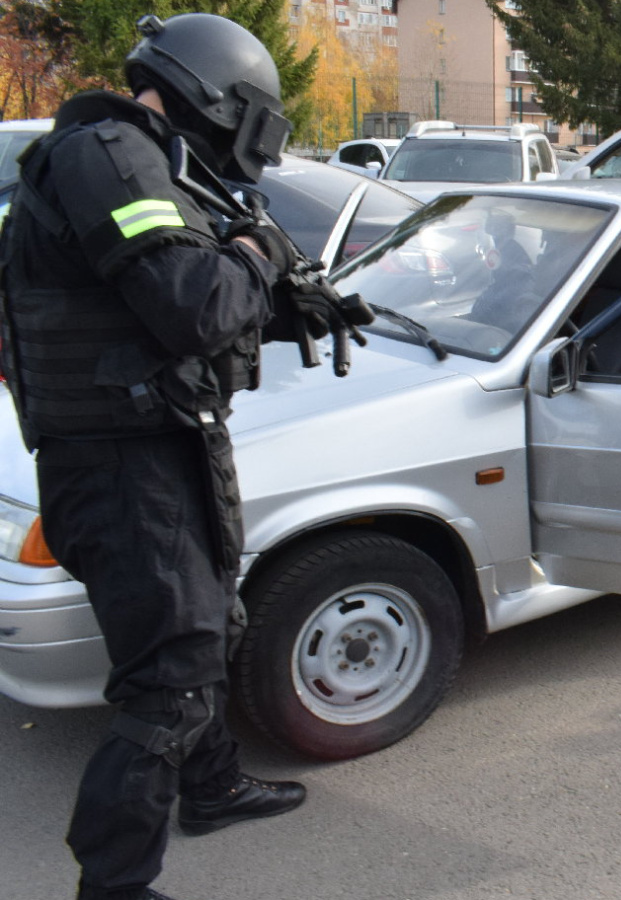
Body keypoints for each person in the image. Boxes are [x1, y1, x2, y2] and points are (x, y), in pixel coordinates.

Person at [0, 14, 361, 900]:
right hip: (124, 463)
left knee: (210, 625)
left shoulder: (151, 165)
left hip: (164, 441)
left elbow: (167, 305)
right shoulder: (110, 156)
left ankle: (211, 786)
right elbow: (193, 305)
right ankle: (114, 885)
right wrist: (256, 252)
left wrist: (287, 304)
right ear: (217, 97)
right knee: (171, 676)